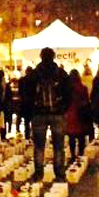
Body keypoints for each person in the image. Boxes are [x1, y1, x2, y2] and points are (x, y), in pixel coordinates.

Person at [29, 47, 71, 180]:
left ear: (41, 57)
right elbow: (69, 92)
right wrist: (64, 107)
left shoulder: (35, 73)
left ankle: (38, 173)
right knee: (58, 146)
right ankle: (59, 174)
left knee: (39, 146)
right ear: (53, 57)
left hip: (38, 113)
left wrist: (32, 108)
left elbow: (27, 92)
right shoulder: (61, 73)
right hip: (57, 113)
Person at [64, 68, 93, 160]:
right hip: (81, 113)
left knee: (71, 136)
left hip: (70, 113)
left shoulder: (68, 89)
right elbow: (87, 100)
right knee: (81, 136)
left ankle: (73, 155)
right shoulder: (83, 88)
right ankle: (80, 154)